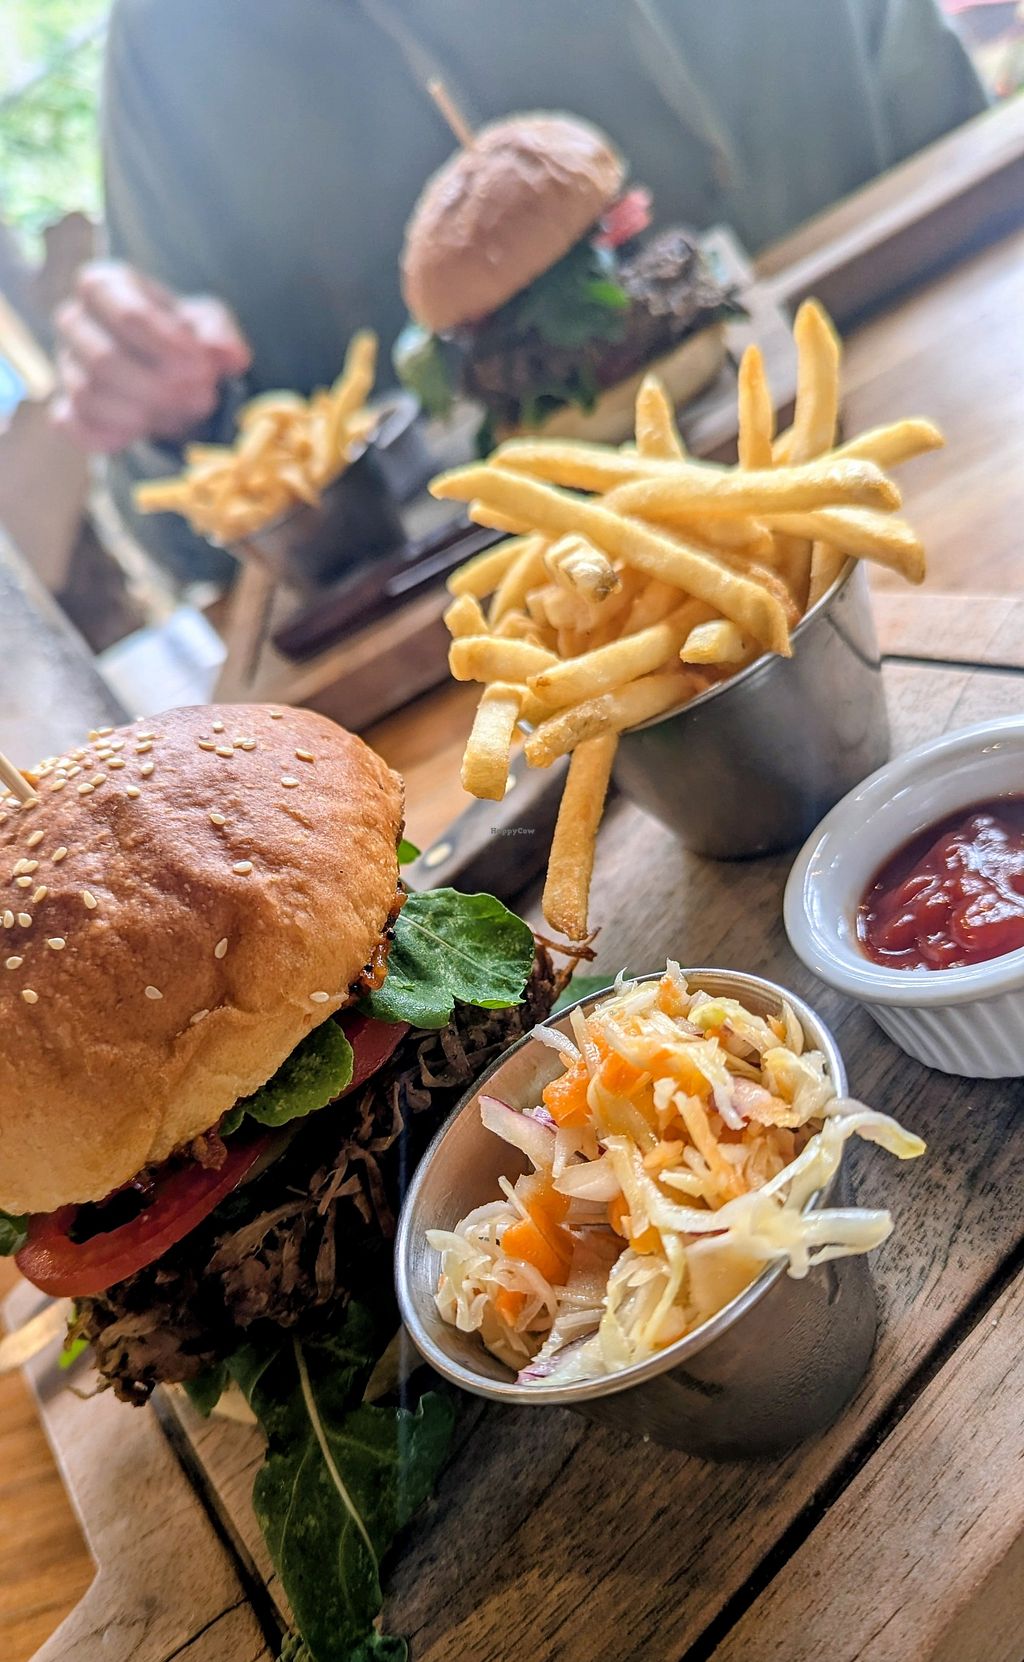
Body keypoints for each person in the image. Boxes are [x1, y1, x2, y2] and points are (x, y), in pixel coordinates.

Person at [53, 0, 987, 584]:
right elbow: (181, 536)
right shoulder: (173, 48)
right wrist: (169, 407)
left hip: (942, 424)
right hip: (545, 599)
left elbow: (965, 142)